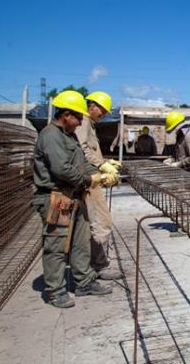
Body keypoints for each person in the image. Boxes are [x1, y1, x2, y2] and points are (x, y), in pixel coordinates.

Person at [33, 90, 114, 308]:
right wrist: (90, 180)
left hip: (74, 195)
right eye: (77, 117)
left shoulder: (68, 136)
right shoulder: (50, 136)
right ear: (66, 114)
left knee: (81, 241)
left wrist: (101, 174)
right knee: (57, 244)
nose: (80, 122)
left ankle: (84, 282)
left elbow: (80, 163)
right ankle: (55, 290)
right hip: (57, 197)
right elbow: (62, 169)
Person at [75, 91, 123, 280]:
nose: (102, 116)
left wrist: (106, 162)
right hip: (89, 179)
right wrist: (100, 165)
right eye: (101, 112)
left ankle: (94, 263)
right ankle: (100, 266)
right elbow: (82, 148)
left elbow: (89, 148)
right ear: (92, 106)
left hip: (92, 177)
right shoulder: (85, 121)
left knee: (95, 223)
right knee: (101, 222)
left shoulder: (89, 124)